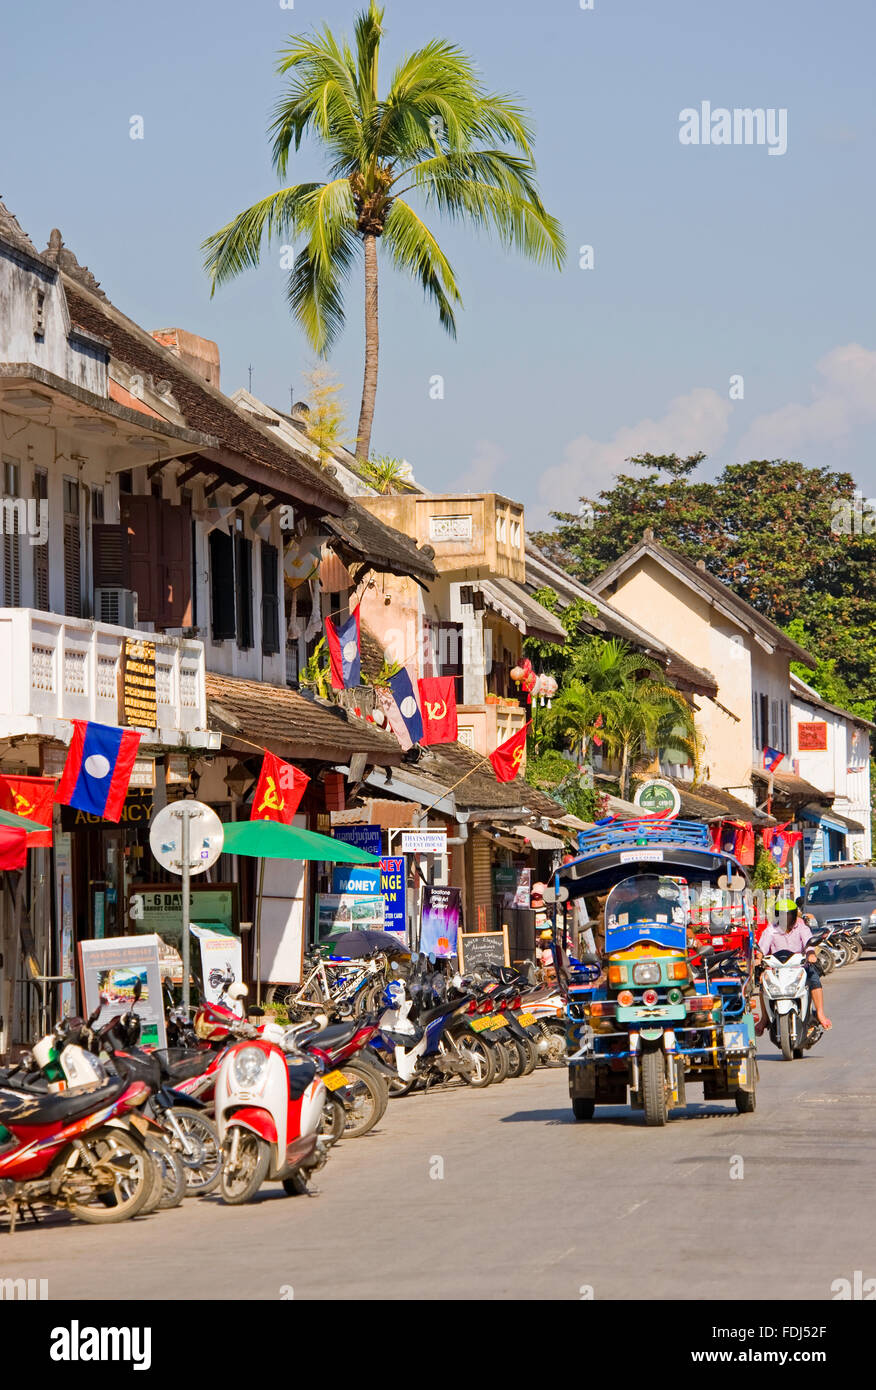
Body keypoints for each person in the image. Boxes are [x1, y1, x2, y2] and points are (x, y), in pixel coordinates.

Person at [755, 896, 832, 1032]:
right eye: (782, 915)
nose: (786, 919)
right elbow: (763, 947)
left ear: (794, 915)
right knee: (763, 983)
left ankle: (820, 1014)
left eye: (789, 915)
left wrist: (811, 954)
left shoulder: (801, 926)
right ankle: (764, 1018)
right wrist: (759, 957)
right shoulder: (771, 929)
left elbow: (809, 943)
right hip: (776, 969)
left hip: (799, 967)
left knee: (814, 978)